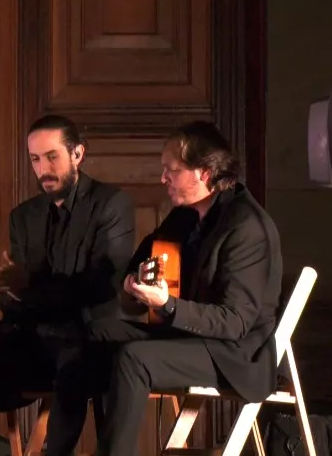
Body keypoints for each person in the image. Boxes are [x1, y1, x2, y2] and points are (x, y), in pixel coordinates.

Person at [88, 121, 283, 455]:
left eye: (171, 170)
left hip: (233, 353)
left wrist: (167, 304)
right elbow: (143, 259)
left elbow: (234, 322)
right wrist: (133, 282)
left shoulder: (246, 227)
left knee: (134, 359)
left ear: (204, 174)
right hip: (189, 336)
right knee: (98, 333)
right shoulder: (185, 216)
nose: (163, 178)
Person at [0, 115, 135, 455]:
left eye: (52, 157)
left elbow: (101, 288)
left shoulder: (110, 204)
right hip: (39, 333)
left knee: (74, 355)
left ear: (77, 153)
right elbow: (19, 298)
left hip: (93, 334)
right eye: (35, 159)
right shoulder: (24, 216)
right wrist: (14, 290)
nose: (43, 169)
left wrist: (27, 287)